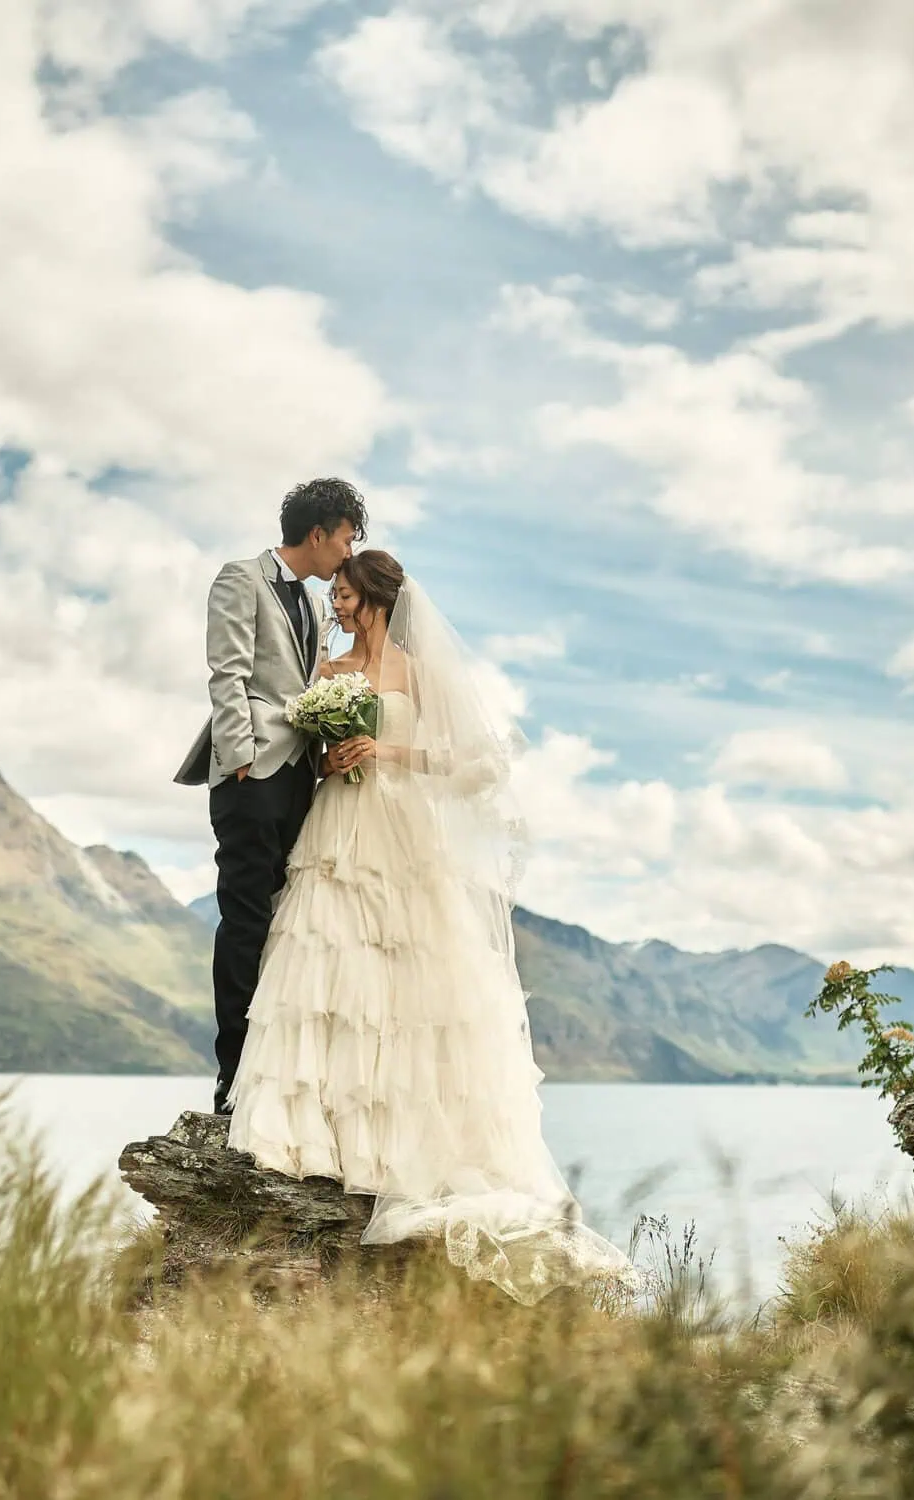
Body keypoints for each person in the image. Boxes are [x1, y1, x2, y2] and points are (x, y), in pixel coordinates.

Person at [223, 549, 634, 1304]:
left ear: (377, 597)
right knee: (329, 971)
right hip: (338, 823)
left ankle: (405, 1149)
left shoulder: (418, 672)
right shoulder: (326, 672)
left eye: (345, 595)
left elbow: (477, 764)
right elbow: (305, 754)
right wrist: (331, 758)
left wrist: (388, 750)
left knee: (409, 982)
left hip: (404, 834)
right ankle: (322, 1141)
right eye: (333, 594)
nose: (336, 605)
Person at [173, 478, 363, 1116]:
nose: (347, 551)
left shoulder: (311, 607)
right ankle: (232, 1078)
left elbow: (305, 686)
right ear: (318, 534)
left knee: (287, 922)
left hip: (301, 776)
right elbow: (225, 671)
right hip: (252, 773)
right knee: (246, 917)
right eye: (345, 538)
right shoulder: (240, 578)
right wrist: (241, 757)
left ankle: (275, 1072)